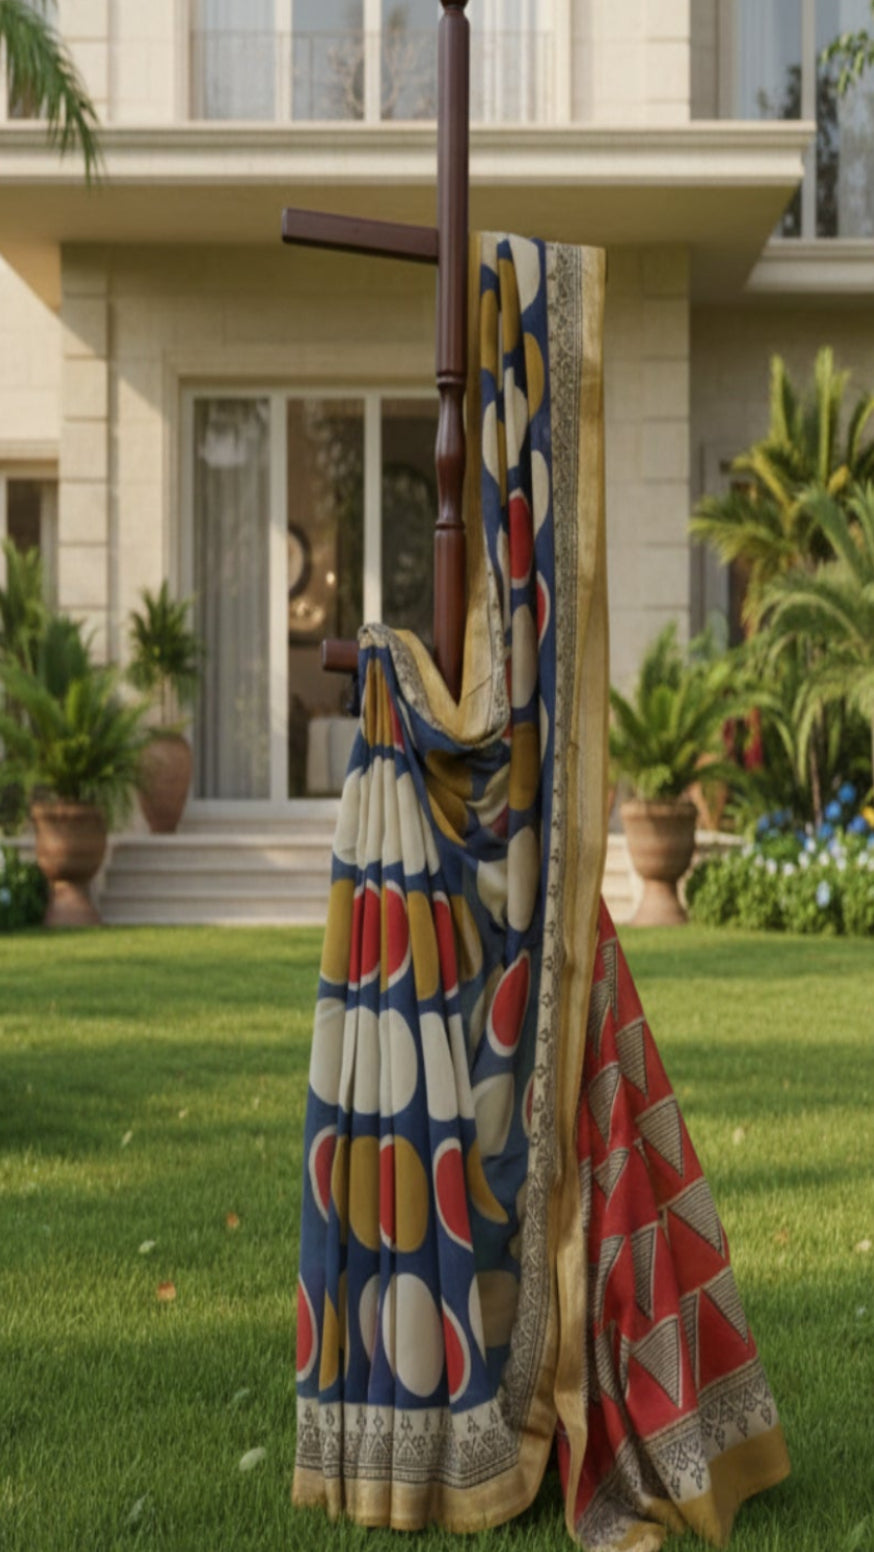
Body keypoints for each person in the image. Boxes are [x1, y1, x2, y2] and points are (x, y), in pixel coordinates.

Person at [293, 233, 790, 1551]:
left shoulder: (443, 714)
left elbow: (493, 718)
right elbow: (486, 721)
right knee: (460, 1131)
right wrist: (407, 668)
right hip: (466, 917)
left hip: (496, 912)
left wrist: (393, 673)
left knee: (499, 1125)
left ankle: (501, 1402)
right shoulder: (440, 728)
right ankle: (457, 1415)